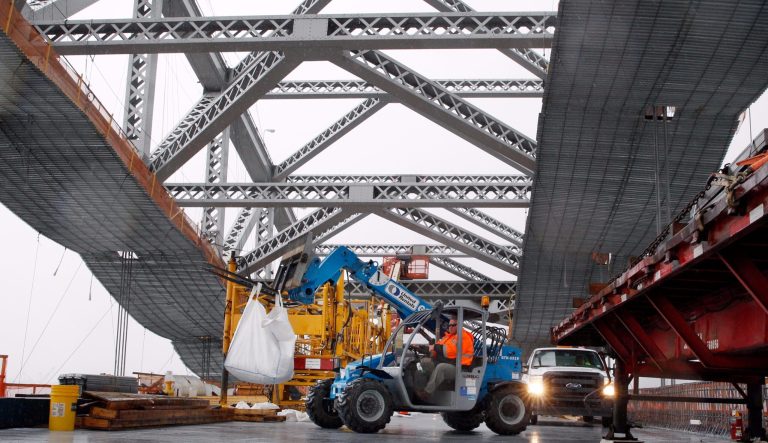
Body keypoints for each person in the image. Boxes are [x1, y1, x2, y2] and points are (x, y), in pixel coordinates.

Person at [417, 316, 474, 399]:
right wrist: (424, 349)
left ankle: (427, 393)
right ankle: (418, 389)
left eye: (453, 325)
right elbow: (438, 347)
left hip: (460, 367)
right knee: (424, 363)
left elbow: (450, 351)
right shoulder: (448, 337)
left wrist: (435, 347)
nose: (450, 327)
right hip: (450, 363)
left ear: (459, 325)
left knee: (441, 368)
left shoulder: (463, 337)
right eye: (449, 325)